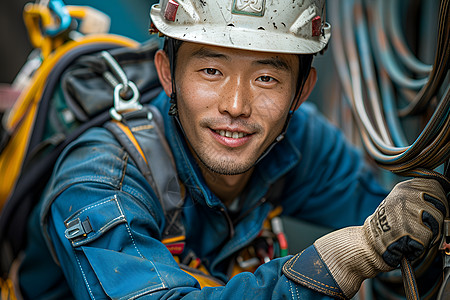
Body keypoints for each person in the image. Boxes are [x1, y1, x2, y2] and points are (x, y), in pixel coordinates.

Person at [17, 0, 448, 299]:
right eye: (210, 70)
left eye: (266, 79)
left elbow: (390, 216)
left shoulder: (298, 143)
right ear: (167, 73)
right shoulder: (99, 183)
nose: (236, 106)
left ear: (301, 91)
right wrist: (343, 259)